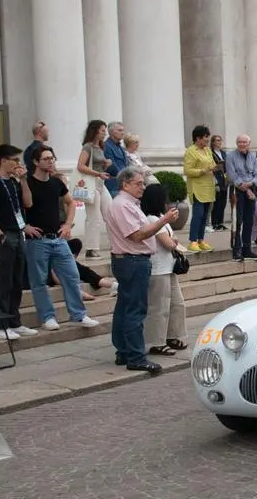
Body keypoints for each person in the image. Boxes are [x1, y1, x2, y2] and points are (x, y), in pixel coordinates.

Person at [105, 166, 179, 373]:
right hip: (132, 260)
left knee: (125, 307)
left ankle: (124, 351)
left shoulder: (129, 204)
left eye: (143, 183)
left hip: (131, 260)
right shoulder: (122, 205)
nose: (143, 187)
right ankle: (136, 356)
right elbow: (137, 235)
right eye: (138, 183)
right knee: (135, 310)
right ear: (125, 184)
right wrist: (163, 220)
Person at [24, 145, 98, 331]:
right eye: (46, 159)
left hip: (57, 238)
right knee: (39, 281)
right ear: (35, 162)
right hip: (37, 241)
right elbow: (21, 207)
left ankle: (79, 315)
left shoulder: (56, 183)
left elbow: (70, 202)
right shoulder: (28, 183)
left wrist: (67, 224)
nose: (50, 161)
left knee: (72, 276)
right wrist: (24, 226)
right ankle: (47, 317)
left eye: (52, 158)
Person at [0, 144, 36, 340]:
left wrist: (23, 181)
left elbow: (28, 203)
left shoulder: (14, 183)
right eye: (14, 160)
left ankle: (14, 321)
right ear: (3, 161)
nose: (17, 164)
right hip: (4, 235)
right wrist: (0, 235)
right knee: (4, 281)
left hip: (18, 233)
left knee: (17, 280)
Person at [140, 183, 188, 357]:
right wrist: (172, 240)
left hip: (169, 267)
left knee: (177, 303)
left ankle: (173, 335)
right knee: (159, 307)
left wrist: (171, 239)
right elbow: (168, 243)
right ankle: (156, 342)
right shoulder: (153, 220)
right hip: (158, 269)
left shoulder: (161, 218)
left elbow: (172, 238)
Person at [77, 120, 114, 259]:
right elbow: (80, 166)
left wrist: (105, 165)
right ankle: (91, 249)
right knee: (93, 217)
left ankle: (116, 244)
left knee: (110, 213)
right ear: (95, 131)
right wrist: (98, 173)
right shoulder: (88, 147)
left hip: (100, 183)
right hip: (91, 183)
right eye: (102, 130)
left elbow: (98, 166)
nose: (105, 133)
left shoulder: (100, 147)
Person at [225, 133, 257, 262]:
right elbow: (231, 174)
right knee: (237, 220)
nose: (241, 144)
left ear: (248, 144)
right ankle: (236, 249)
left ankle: (247, 248)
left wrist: (251, 184)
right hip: (237, 190)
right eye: (239, 142)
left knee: (249, 221)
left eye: (244, 142)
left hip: (250, 188)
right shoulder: (230, 156)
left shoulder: (253, 156)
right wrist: (245, 188)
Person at [183, 125, 216, 253]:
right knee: (198, 214)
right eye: (205, 138)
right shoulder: (191, 151)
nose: (207, 141)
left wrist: (216, 167)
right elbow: (187, 170)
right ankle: (193, 241)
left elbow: (212, 163)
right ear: (198, 138)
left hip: (208, 186)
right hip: (197, 187)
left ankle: (201, 239)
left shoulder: (207, 150)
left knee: (205, 216)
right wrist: (203, 170)